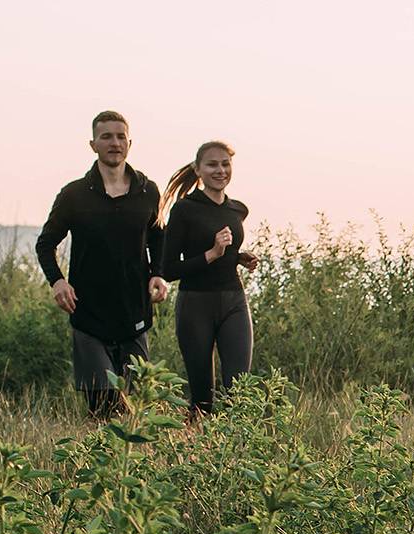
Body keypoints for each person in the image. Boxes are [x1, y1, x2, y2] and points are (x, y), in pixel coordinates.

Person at [35, 110, 169, 417]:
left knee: (138, 403)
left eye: (121, 136)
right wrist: (58, 281)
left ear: (130, 143)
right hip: (89, 316)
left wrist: (157, 274)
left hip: (134, 315)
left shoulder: (148, 191)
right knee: (105, 408)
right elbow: (45, 244)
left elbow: (159, 236)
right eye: (106, 136)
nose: (114, 142)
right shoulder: (74, 195)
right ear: (93, 144)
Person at [158, 141, 255, 417]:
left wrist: (237, 256)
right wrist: (212, 254)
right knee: (203, 400)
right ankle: (197, 451)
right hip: (195, 305)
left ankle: (237, 454)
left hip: (234, 301)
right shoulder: (184, 210)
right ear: (198, 170)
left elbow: (227, 250)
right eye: (212, 164)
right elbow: (168, 269)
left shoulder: (238, 210)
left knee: (240, 391)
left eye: (225, 164)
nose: (220, 170)